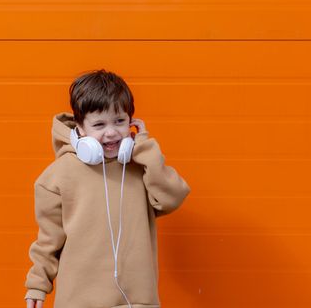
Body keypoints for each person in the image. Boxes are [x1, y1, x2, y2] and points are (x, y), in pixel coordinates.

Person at [24, 69, 191, 308]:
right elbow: (49, 240)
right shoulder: (57, 177)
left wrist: (145, 149)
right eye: (99, 124)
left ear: (131, 122)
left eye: (119, 121)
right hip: (78, 302)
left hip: (137, 301)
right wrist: (37, 285)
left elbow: (172, 198)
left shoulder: (140, 166)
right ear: (80, 128)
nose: (111, 132)